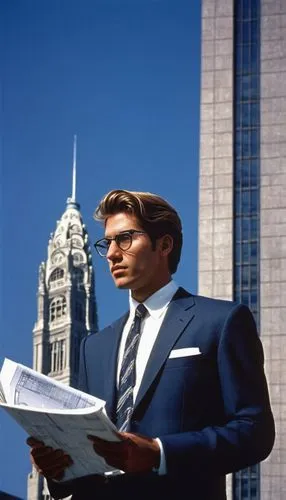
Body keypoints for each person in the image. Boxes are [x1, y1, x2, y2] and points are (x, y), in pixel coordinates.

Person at [27, 189, 275, 500]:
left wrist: (160, 453)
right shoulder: (94, 348)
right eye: (107, 244)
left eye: (125, 239)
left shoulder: (220, 321)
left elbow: (254, 432)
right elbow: (88, 464)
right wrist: (58, 470)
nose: (113, 253)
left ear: (164, 244)